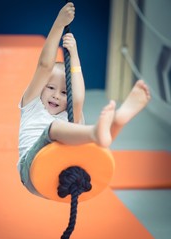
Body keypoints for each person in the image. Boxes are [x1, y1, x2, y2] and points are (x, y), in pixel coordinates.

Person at [17, 2, 151, 196]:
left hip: (60, 175)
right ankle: (98, 132)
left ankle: (116, 123)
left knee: (86, 140)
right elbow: (44, 66)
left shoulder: (69, 116)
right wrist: (59, 25)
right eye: (51, 88)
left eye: (64, 93)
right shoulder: (31, 105)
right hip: (31, 171)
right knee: (53, 129)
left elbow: (78, 98)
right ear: (41, 88)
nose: (55, 95)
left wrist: (75, 54)